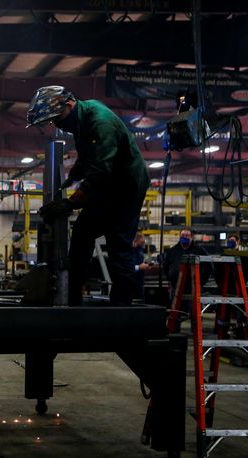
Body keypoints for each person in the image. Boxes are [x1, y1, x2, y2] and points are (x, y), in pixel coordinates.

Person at [27, 85, 150, 305]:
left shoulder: (100, 121)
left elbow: (101, 168)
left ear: (69, 104)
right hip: (108, 185)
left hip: (125, 188)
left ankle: (122, 313)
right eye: (52, 121)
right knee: (82, 234)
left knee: (118, 245)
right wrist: (71, 178)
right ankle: (72, 298)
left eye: (57, 118)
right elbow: (87, 158)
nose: (56, 124)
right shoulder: (82, 121)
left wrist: (72, 202)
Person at [162, 227, 211, 302]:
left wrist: (202, 281)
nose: (184, 237)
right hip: (176, 285)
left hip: (193, 286)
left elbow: (209, 267)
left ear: (192, 237)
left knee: (192, 308)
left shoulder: (199, 251)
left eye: (187, 235)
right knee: (176, 308)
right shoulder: (172, 251)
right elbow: (165, 266)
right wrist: (170, 280)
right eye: (182, 235)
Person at [132, 232, 151, 301]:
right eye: (142, 243)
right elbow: (126, 268)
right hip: (131, 285)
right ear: (135, 241)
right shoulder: (128, 252)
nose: (144, 246)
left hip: (139, 284)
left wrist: (145, 267)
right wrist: (139, 267)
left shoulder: (139, 251)